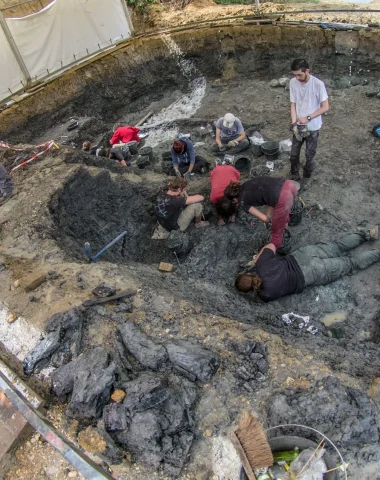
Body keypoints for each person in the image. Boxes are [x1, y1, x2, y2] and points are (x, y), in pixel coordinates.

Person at [235, 227, 379, 302]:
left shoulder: (264, 295)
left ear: (250, 291)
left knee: (349, 263)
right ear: (248, 274)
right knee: (337, 246)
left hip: (310, 274)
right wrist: (256, 260)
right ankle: (367, 234)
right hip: (302, 256)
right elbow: (271, 245)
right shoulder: (262, 264)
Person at [224, 177, 297, 248]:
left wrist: (273, 222)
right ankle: (285, 229)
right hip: (289, 185)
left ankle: (275, 251)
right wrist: (268, 215)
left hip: (284, 197)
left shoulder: (242, 201)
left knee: (275, 234)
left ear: (234, 199)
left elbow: (264, 219)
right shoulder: (245, 185)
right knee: (284, 213)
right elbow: (270, 199)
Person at [289, 59, 329, 189]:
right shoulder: (293, 83)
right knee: (294, 153)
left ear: (307, 71)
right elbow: (293, 104)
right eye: (294, 75)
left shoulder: (318, 84)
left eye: (299, 75)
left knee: (309, 155)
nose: (297, 77)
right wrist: (294, 122)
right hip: (299, 126)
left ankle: (307, 176)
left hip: (313, 127)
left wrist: (308, 117)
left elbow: (325, 107)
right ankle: (294, 174)